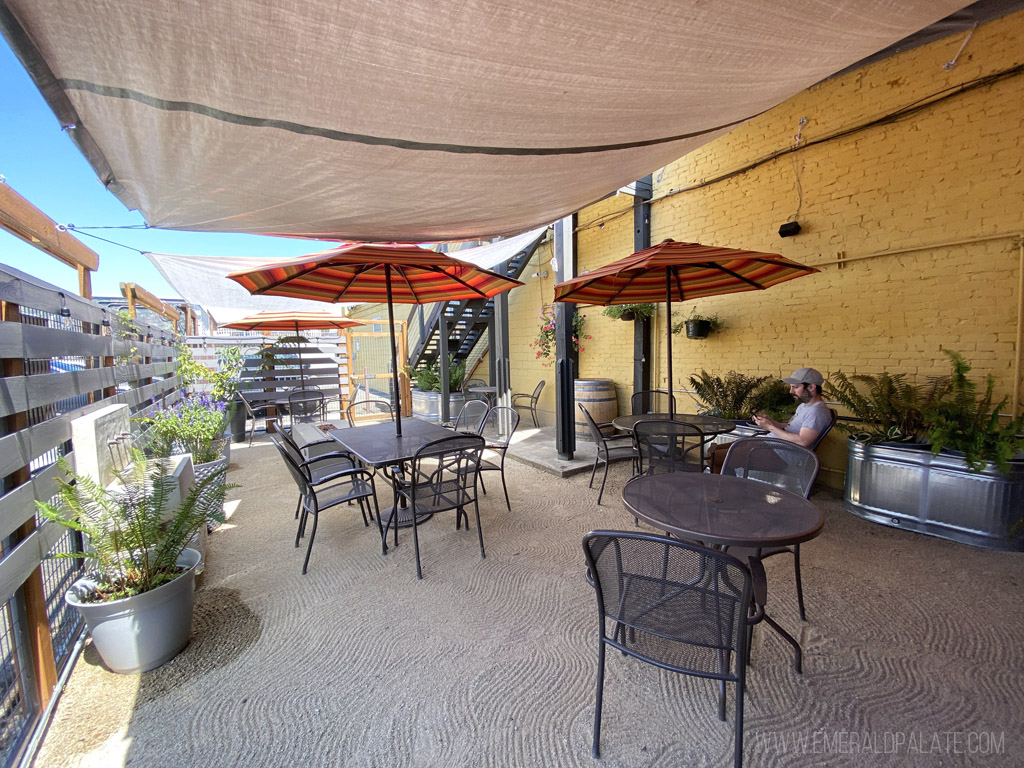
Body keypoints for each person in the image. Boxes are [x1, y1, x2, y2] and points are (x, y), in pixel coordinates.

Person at [710, 366, 832, 472]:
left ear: (811, 387)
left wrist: (770, 427)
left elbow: (803, 441)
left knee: (714, 457)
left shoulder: (817, 412)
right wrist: (771, 421)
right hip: (771, 444)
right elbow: (789, 427)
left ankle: (722, 492)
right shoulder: (804, 406)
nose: (791, 391)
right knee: (714, 451)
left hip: (780, 454)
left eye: (795, 387)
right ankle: (730, 487)